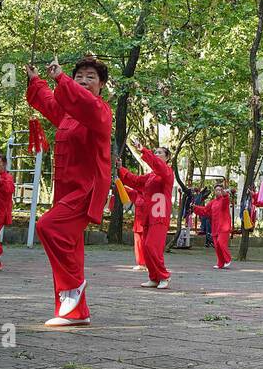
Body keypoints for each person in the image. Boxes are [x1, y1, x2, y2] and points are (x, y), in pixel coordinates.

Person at [26, 54, 112, 326]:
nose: (84, 81)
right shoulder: (68, 114)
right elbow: (51, 103)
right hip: (65, 189)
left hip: (86, 188)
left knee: (48, 227)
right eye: (80, 76)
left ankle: (73, 286)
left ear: (101, 86)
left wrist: (62, 79)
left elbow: (82, 102)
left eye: (91, 77)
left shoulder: (100, 112)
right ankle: (76, 313)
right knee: (71, 247)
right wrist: (36, 81)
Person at [118, 146, 174, 289]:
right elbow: (135, 181)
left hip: (160, 214)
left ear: (167, 158)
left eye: (160, 153)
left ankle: (164, 276)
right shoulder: (150, 177)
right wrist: (121, 168)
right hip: (149, 215)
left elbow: (157, 165)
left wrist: (143, 150)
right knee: (146, 246)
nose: (156, 154)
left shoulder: (167, 172)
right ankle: (154, 277)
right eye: (155, 152)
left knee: (152, 246)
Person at [208, 180, 234, 269]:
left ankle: (228, 259)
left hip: (224, 226)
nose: (218, 191)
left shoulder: (224, 200)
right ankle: (220, 263)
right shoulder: (212, 202)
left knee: (221, 243)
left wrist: (225, 195)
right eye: (217, 190)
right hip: (215, 227)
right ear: (214, 191)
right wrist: (195, 207)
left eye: (220, 190)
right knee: (216, 246)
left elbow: (226, 200)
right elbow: (205, 210)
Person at [127, 185, 149, 270]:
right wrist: (118, 182)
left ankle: (148, 264)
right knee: (138, 244)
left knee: (146, 245)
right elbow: (126, 190)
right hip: (137, 224)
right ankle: (140, 263)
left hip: (147, 224)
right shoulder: (136, 194)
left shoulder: (150, 194)